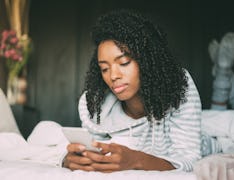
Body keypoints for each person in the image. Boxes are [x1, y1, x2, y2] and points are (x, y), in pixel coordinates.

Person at [63, 9, 202, 172]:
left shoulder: (178, 85)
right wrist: (71, 160)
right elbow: (92, 151)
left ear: (147, 60)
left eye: (124, 63)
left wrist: (136, 160)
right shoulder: (94, 104)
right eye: (104, 68)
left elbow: (190, 161)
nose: (113, 76)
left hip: (201, 140)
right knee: (45, 128)